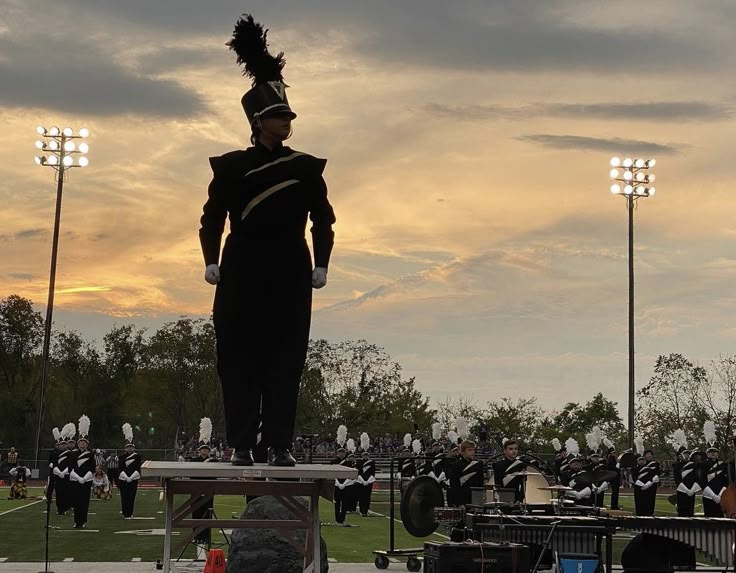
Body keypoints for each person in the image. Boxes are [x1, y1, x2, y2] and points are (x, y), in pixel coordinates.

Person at [199, 13, 336, 468]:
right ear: (258, 122)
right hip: (240, 271)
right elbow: (212, 216)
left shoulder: (306, 167)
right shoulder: (231, 166)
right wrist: (210, 258)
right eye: (279, 115)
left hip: (290, 272)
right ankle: (241, 444)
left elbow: (323, 219)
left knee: (285, 361)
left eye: (289, 114)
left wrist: (322, 263)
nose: (287, 121)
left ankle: (278, 445)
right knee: (237, 360)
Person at [70, 416, 95, 529]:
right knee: (76, 502)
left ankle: (83, 521)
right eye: (80, 442)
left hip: (86, 480)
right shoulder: (73, 454)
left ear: (87, 444)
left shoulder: (90, 454)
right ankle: (76, 521)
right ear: (78, 443)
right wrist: (78, 477)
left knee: (84, 502)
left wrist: (85, 478)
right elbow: (71, 468)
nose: (82, 444)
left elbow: (92, 468)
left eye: (84, 442)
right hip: (76, 480)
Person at [448, 440, 485, 507]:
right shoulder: (455, 466)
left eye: (473, 450)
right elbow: (454, 486)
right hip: (462, 500)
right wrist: (459, 503)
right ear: (463, 452)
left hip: (475, 500)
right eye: (469, 450)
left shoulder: (478, 465)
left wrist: (479, 500)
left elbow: (480, 484)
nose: (472, 452)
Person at [118, 423, 142, 519]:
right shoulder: (121, 457)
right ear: (125, 448)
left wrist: (131, 477)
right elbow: (120, 468)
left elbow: (137, 467)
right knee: (124, 496)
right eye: (128, 447)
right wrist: (125, 477)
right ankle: (125, 512)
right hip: (123, 479)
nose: (129, 448)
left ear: (133, 448)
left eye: (131, 447)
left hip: (133, 479)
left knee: (131, 497)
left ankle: (130, 512)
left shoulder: (137, 456)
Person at [53, 424, 76, 515]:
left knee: (67, 492)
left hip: (66, 475)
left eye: (64, 444)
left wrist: (64, 472)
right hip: (58, 475)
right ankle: (60, 508)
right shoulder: (56, 454)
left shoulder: (70, 454)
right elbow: (54, 465)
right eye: (61, 444)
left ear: (66, 445)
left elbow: (70, 465)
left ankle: (66, 507)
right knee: (59, 492)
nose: (62, 446)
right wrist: (59, 472)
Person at [673, 449, 700, 517]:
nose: (687, 456)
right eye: (685, 454)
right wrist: (686, 489)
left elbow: (697, 478)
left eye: (688, 454)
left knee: (690, 509)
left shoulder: (695, 465)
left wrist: (692, 489)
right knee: (681, 509)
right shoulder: (677, 465)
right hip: (681, 489)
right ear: (681, 455)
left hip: (691, 489)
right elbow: (677, 479)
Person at [634, 450, 660, 516]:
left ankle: (650, 515)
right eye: (647, 454)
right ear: (644, 455)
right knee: (641, 502)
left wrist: (649, 484)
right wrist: (642, 485)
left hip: (651, 485)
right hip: (641, 486)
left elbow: (657, 474)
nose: (649, 455)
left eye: (650, 454)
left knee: (650, 502)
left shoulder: (655, 464)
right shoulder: (640, 465)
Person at [331, 448, 353, 526]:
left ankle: (342, 520)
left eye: (343, 452)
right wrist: (337, 482)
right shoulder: (333, 461)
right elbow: (332, 473)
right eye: (340, 452)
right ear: (337, 453)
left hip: (346, 484)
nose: (341, 454)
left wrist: (345, 483)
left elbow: (350, 473)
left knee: (345, 503)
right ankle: (337, 520)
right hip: (337, 483)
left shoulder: (348, 462)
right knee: (337, 503)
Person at [703, 447, 727, 517]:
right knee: (709, 519)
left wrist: (720, 495)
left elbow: (726, 481)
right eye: (710, 452)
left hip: (720, 495)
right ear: (707, 454)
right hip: (708, 495)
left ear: (718, 454)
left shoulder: (723, 465)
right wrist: (713, 495)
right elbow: (702, 481)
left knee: (720, 518)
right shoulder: (702, 464)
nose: (713, 453)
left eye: (715, 452)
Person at [46, 428, 63, 503]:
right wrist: (50, 463)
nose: (58, 446)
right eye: (57, 444)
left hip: (61, 470)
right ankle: (49, 498)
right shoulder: (52, 452)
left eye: (59, 444)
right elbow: (49, 460)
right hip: (53, 470)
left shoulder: (62, 452)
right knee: (51, 485)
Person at [356, 451, 375, 517]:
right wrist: (363, 481)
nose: (365, 456)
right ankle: (361, 511)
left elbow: (372, 473)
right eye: (364, 455)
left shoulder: (371, 462)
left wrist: (368, 481)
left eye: (366, 455)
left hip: (369, 482)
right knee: (361, 497)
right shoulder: (359, 462)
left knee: (367, 497)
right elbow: (358, 473)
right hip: (360, 481)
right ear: (362, 456)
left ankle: (366, 511)